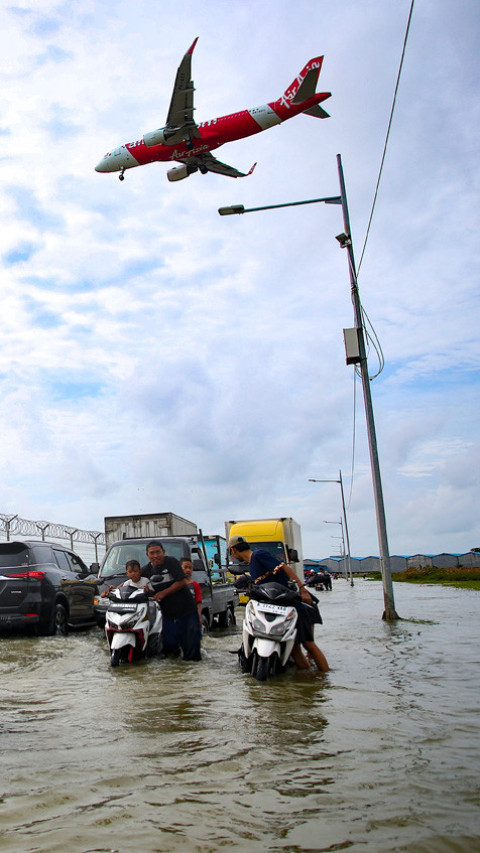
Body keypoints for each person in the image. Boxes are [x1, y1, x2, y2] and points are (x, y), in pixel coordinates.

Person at [229, 535, 329, 672]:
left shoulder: (258, 556)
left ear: (233, 550)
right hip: (282, 608)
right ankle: (309, 681)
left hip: (294, 605)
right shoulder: (251, 565)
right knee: (294, 649)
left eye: (231, 552)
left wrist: (302, 589)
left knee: (308, 644)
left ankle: (325, 678)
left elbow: (285, 569)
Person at [142, 540, 201, 661]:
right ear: (147, 555)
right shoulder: (146, 571)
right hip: (166, 614)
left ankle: (193, 674)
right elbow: (133, 580)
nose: (155, 556)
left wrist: (163, 593)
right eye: (152, 553)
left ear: (163, 552)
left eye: (158, 552)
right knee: (169, 649)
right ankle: (175, 676)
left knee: (191, 649)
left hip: (186, 611)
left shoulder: (171, 562)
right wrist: (113, 590)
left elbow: (181, 581)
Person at [181, 557, 203, 629]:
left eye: (190, 568)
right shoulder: (175, 585)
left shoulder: (195, 585)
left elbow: (198, 602)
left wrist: (199, 617)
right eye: (185, 567)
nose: (188, 570)